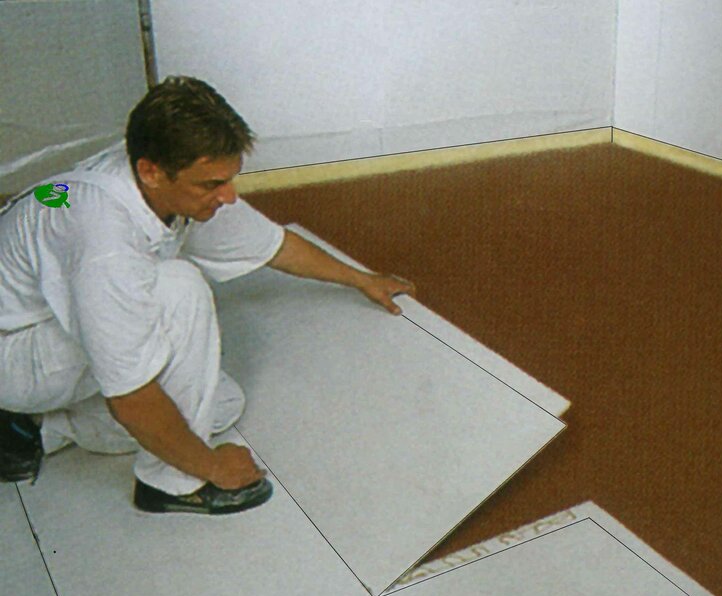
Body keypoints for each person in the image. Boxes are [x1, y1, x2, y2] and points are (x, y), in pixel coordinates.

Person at [0, 76, 414, 515]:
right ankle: (169, 485)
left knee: (220, 406)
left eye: (229, 179)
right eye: (212, 184)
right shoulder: (104, 242)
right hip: (11, 350)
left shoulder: (163, 180)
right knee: (178, 288)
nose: (228, 196)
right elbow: (130, 399)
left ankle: (34, 430)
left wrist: (360, 279)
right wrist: (212, 466)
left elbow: (271, 245)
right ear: (151, 171)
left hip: (45, 333)